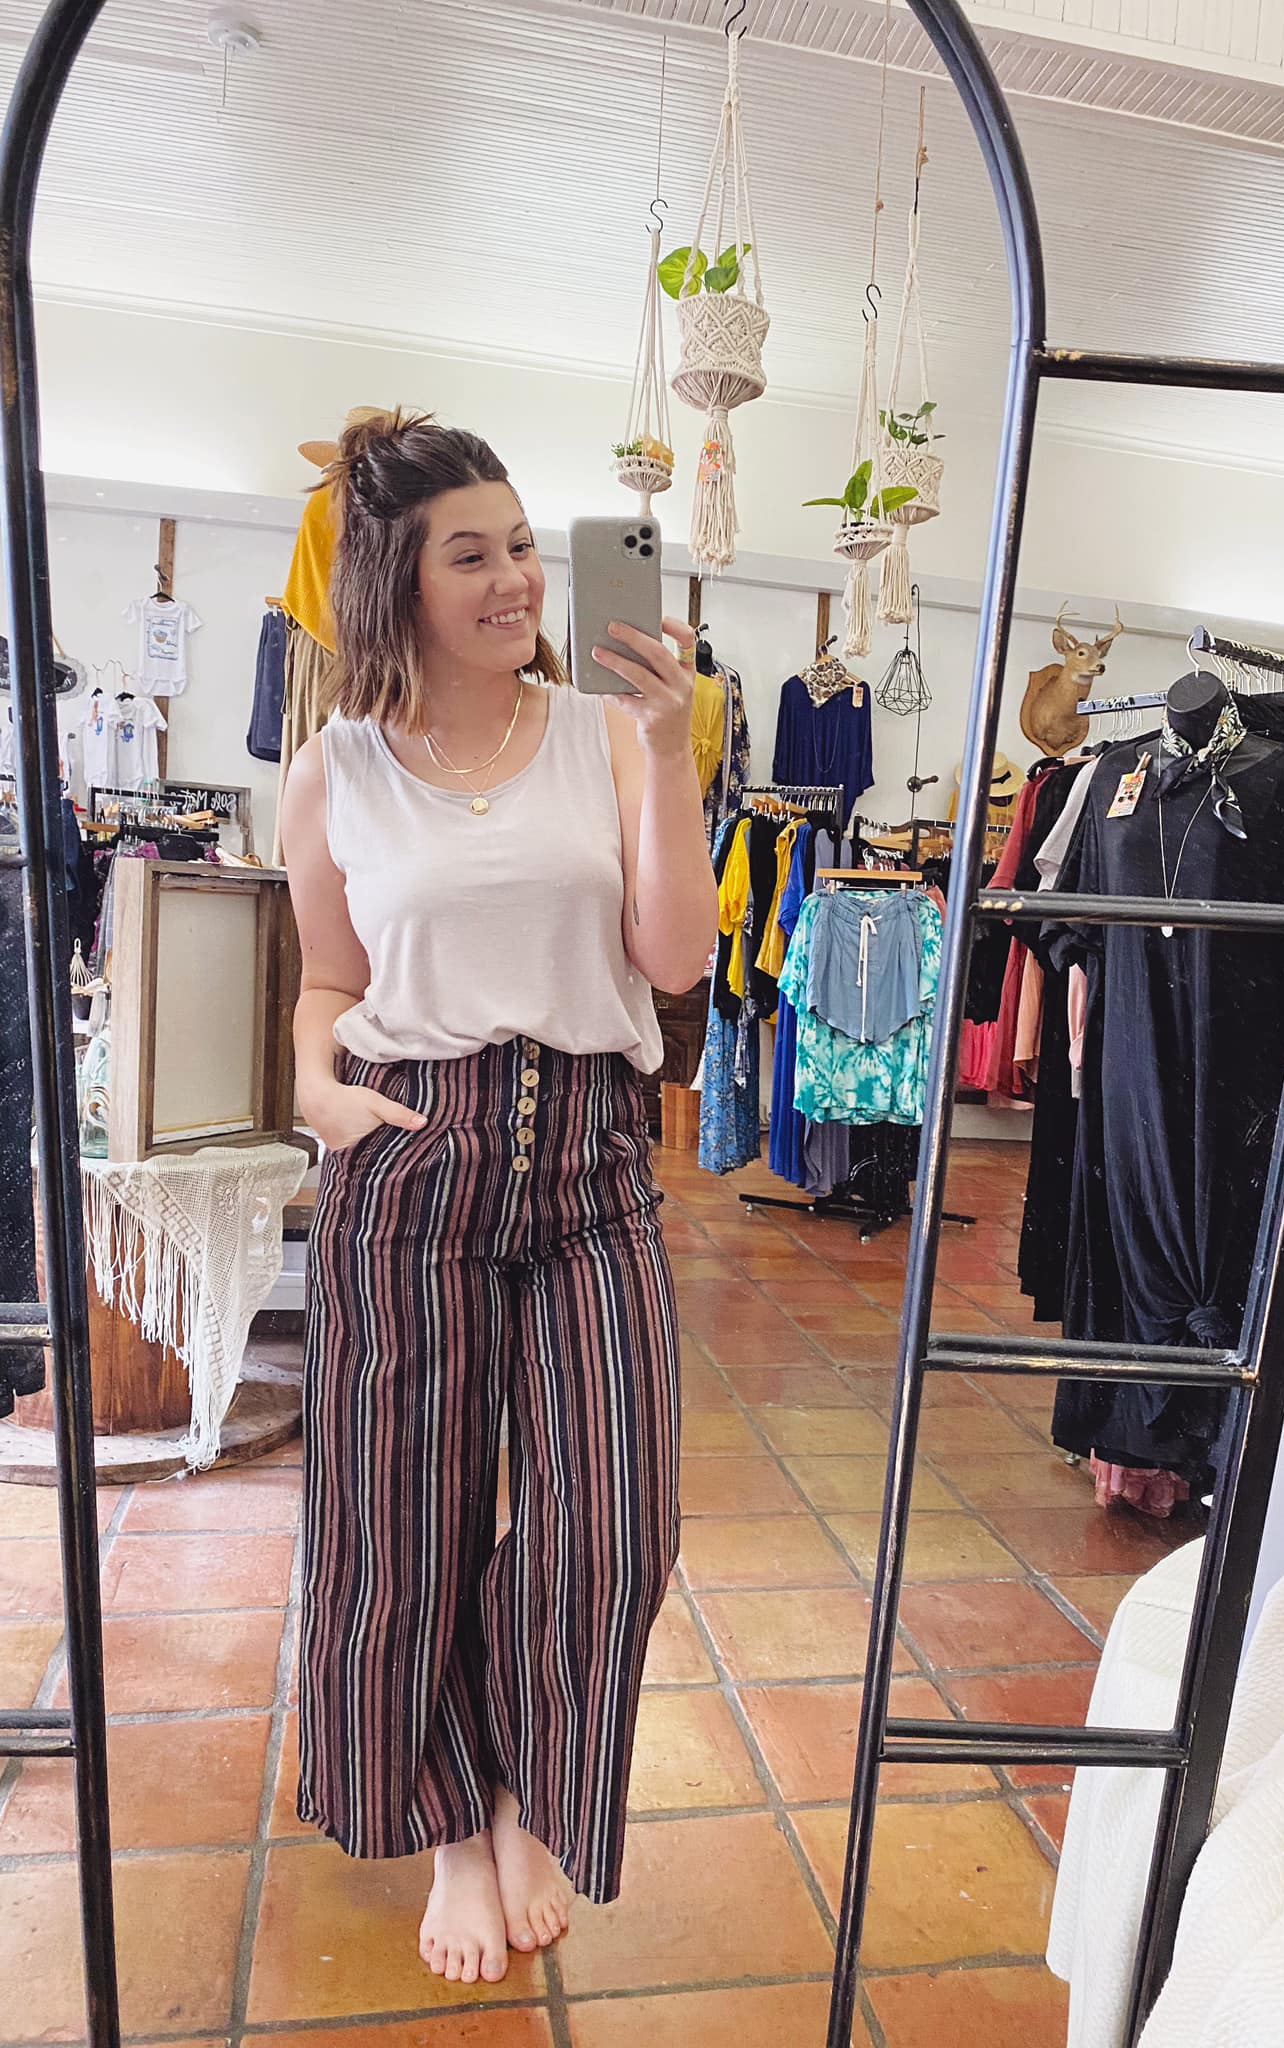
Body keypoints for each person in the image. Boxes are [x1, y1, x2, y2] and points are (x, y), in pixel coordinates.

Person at [280, 409, 717, 1987]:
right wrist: (319, 1089)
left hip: (593, 1161)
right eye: (471, 555)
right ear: (393, 582)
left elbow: (674, 960)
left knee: (614, 1521)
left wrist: (668, 747)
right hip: (414, 1156)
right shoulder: (333, 769)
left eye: (524, 544)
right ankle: (461, 1828)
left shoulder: (608, 734)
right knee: (403, 1529)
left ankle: (530, 1784)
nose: (517, 579)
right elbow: (327, 981)